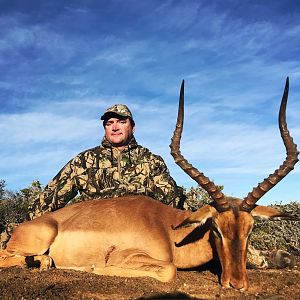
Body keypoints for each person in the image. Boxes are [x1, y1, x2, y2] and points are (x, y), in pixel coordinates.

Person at [27, 104, 183, 220]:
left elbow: (174, 201)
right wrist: (15, 234)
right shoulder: (84, 161)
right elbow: (48, 199)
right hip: (97, 231)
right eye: (109, 123)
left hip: (140, 230)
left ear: (133, 127)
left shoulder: (151, 161)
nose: (114, 127)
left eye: (121, 122)